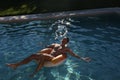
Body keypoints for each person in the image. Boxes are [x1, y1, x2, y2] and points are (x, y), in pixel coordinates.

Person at [6, 37, 91, 76]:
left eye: (64, 41)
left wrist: (82, 58)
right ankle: (16, 65)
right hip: (48, 55)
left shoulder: (66, 49)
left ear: (66, 42)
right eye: (62, 40)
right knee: (32, 56)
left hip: (52, 58)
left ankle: (35, 72)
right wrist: (42, 44)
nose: (63, 41)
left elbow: (74, 55)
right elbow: (47, 46)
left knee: (43, 56)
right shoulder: (55, 44)